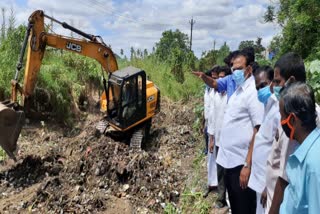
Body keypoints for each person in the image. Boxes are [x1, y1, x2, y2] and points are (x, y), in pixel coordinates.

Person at [195, 50, 264, 213]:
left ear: (249, 69)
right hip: (230, 161)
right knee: (235, 204)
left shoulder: (252, 93)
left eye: (239, 68)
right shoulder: (239, 90)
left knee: (244, 206)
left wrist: (248, 164)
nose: (234, 71)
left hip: (241, 163)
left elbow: (258, 129)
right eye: (233, 67)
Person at [266, 52, 311, 213]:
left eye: (277, 81)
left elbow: (287, 174)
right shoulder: (286, 111)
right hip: (276, 199)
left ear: (291, 81)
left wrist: (273, 209)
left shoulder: (304, 120)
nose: (273, 86)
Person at [278, 82, 320, 213]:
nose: (280, 122)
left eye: (282, 116)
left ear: (292, 120)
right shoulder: (304, 150)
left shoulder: (314, 164)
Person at [247, 66, 279, 214]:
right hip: (260, 178)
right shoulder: (266, 105)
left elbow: (281, 150)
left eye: (263, 85)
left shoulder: (279, 109)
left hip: (268, 183)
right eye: (257, 87)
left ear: (272, 82)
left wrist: (269, 185)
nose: (260, 90)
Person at [211, 66, 231, 209]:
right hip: (218, 139)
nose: (221, 80)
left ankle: (231, 200)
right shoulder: (216, 96)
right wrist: (211, 138)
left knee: (230, 171)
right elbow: (212, 117)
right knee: (220, 171)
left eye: (224, 77)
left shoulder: (232, 96)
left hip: (230, 141)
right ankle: (221, 197)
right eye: (219, 77)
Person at [203, 66, 220, 196]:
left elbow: (216, 113)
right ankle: (211, 183)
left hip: (216, 130)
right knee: (210, 157)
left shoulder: (219, 93)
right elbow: (208, 108)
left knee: (216, 158)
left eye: (216, 78)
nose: (213, 80)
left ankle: (217, 185)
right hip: (210, 126)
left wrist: (213, 136)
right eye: (212, 77)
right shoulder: (208, 90)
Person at [203, 67, 219, 155]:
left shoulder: (216, 91)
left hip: (214, 122)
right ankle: (206, 149)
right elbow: (206, 105)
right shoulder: (207, 89)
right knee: (207, 135)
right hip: (208, 118)